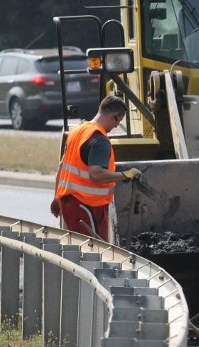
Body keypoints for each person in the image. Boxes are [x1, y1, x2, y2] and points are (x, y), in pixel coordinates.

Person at [50, 95, 141, 241]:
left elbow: (62, 167)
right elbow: (96, 174)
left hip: (72, 204)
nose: (116, 126)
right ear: (115, 117)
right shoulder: (99, 140)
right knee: (95, 254)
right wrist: (125, 175)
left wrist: (57, 198)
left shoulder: (77, 131)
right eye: (119, 121)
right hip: (86, 206)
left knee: (83, 253)